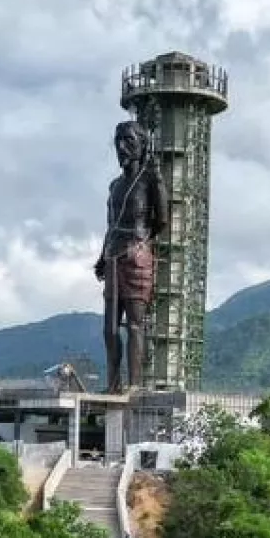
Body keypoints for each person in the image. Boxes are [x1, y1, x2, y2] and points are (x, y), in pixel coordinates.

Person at [94, 120, 168, 394]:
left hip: (137, 256)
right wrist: (102, 256)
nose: (122, 147)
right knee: (110, 328)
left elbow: (161, 221)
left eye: (129, 141)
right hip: (113, 255)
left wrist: (141, 244)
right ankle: (113, 383)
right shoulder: (114, 186)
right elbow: (110, 225)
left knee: (135, 324)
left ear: (142, 145)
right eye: (118, 142)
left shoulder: (151, 179)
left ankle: (135, 385)